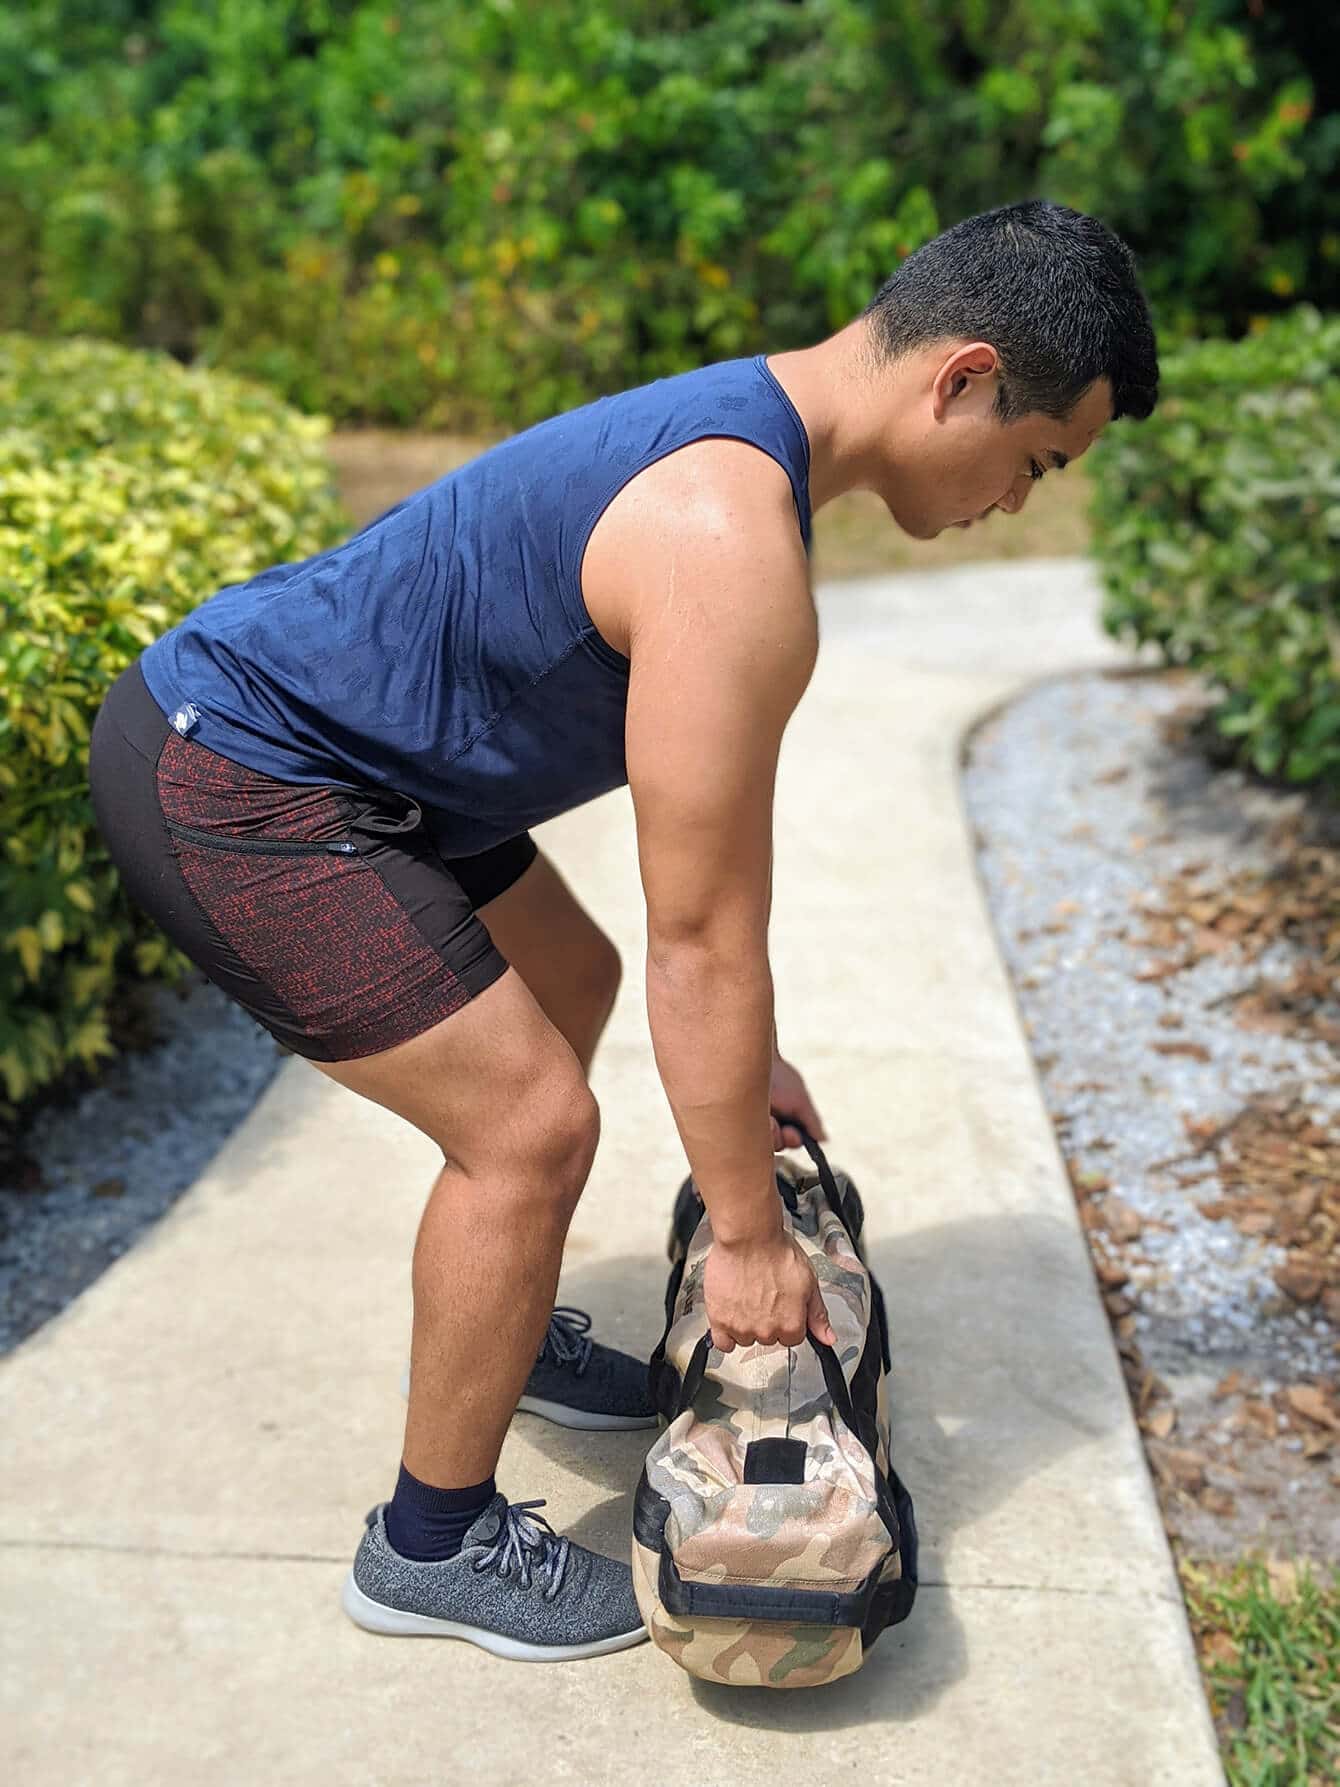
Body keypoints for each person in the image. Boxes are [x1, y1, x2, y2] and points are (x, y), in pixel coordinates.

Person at [87, 196, 1159, 1663]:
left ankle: (503, 1327)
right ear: (962, 377)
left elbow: (692, 918)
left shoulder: (745, 439)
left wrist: (748, 1058)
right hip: (240, 770)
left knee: (567, 974)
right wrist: (745, 1231)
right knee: (530, 1129)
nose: (1021, 499)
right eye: (1036, 462)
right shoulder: (729, 538)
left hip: (357, 756)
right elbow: (703, 938)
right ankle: (429, 1544)